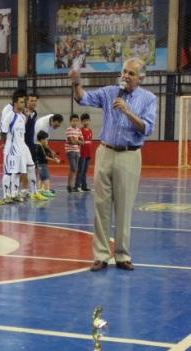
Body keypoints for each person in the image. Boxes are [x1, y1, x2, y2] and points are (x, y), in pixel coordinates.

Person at [71, 57, 157, 272]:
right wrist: (76, 82)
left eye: (131, 73)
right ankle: (100, 255)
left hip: (129, 155)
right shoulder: (110, 92)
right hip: (106, 152)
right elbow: (83, 99)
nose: (126, 76)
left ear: (141, 78)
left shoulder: (149, 98)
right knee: (101, 205)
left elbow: (147, 128)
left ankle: (122, 255)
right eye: (124, 72)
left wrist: (127, 111)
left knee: (124, 207)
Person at [1, 91, 28, 204]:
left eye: (24, 102)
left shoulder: (23, 117)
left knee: (17, 172)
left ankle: (14, 193)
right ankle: (6, 195)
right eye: (21, 102)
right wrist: (6, 145)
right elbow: (3, 133)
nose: (24, 104)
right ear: (15, 103)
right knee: (8, 172)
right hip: (11, 149)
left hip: (21, 149)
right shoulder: (9, 116)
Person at [35, 130, 60, 195]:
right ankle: (47, 190)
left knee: (41, 178)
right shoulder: (40, 146)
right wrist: (54, 160)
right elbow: (44, 157)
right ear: (42, 140)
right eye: (46, 140)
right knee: (46, 177)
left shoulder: (38, 145)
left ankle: (40, 189)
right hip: (42, 165)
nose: (47, 141)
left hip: (39, 165)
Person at [64, 113, 84, 193]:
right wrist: (77, 141)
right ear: (70, 121)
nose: (75, 122)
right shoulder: (68, 130)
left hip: (77, 151)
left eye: (76, 121)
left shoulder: (79, 130)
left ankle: (69, 185)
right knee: (74, 168)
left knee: (73, 170)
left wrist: (76, 141)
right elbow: (71, 142)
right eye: (73, 121)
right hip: (70, 151)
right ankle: (69, 185)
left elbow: (83, 142)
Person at [76, 113, 93, 191]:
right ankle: (77, 186)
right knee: (80, 170)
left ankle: (84, 186)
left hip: (88, 153)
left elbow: (90, 141)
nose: (86, 122)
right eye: (84, 121)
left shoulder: (90, 131)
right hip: (82, 153)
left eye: (87, 120)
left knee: (85, 171)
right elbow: (78, 141)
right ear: (81, 122)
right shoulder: (80, 130)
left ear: (89, 121)